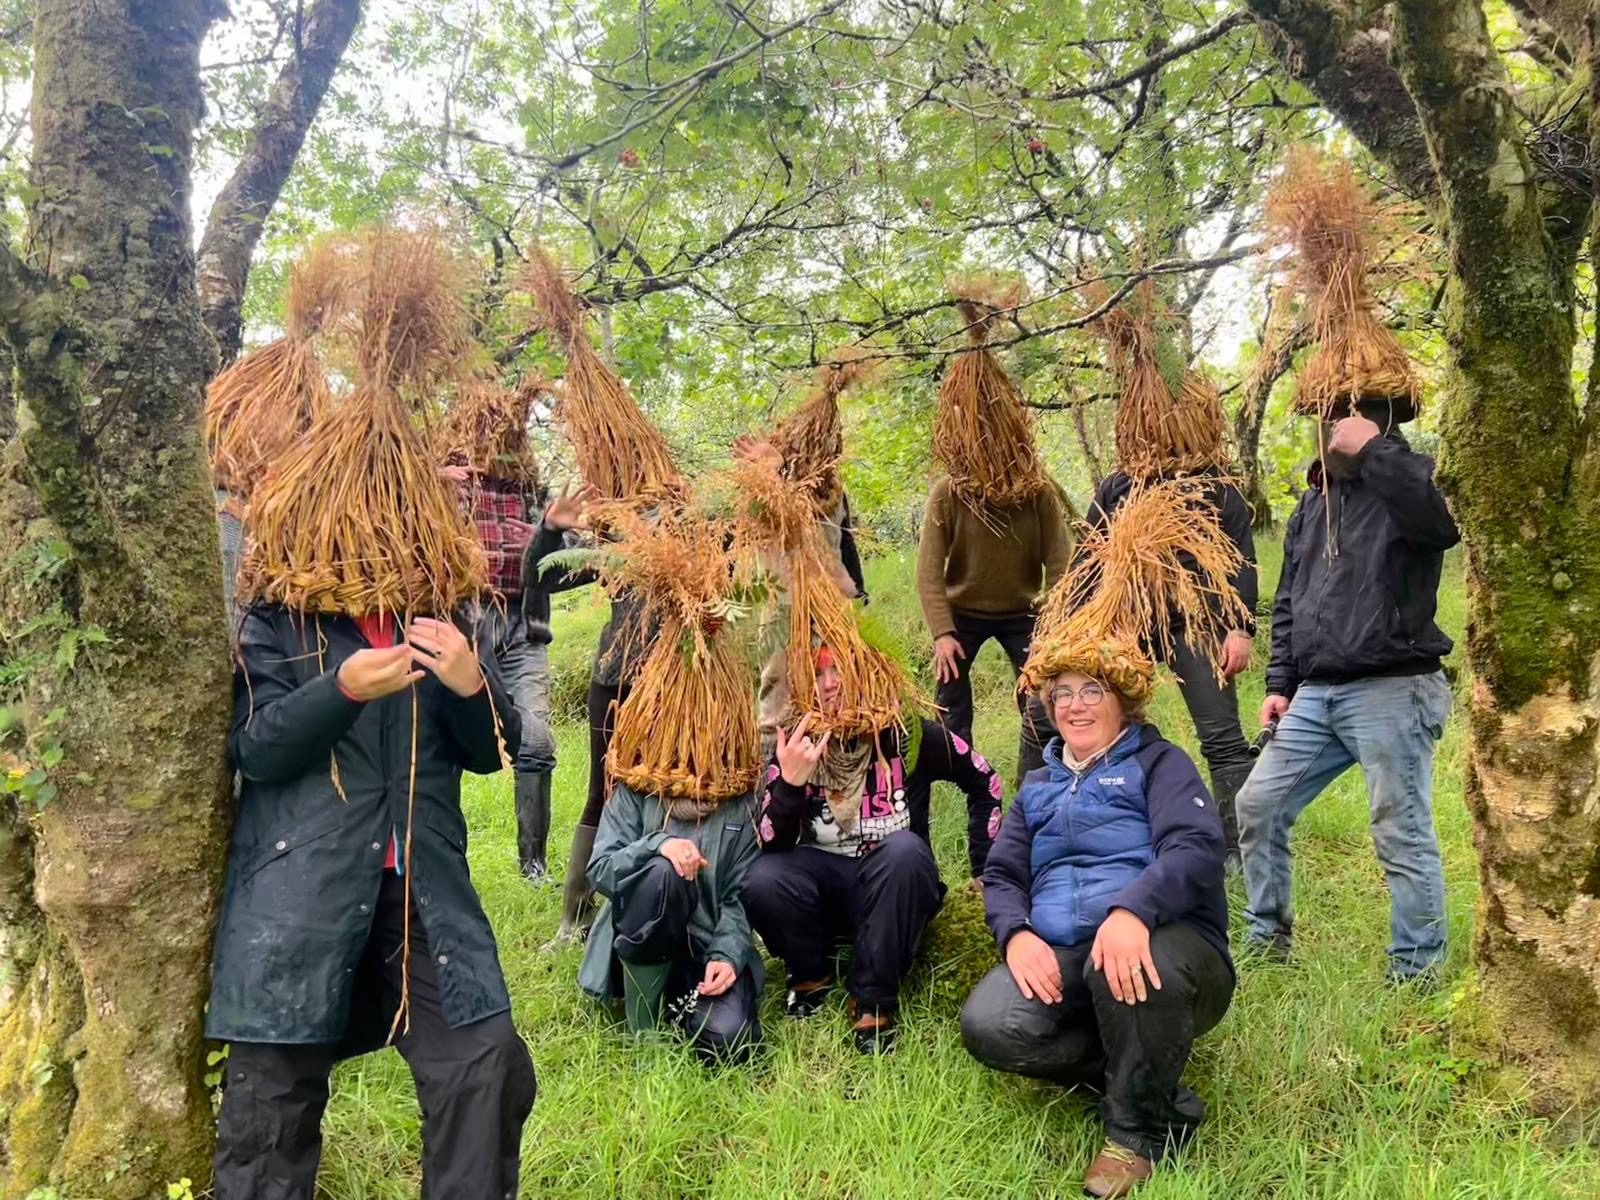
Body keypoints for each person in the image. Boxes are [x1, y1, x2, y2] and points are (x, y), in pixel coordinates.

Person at [208, 607, 536, 1197]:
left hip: (421, 895)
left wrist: (471, 684)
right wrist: (340, 691)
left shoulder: (439, 614)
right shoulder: (280, 620)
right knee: (271, 1097)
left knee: (485, 1060)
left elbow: (492, 752)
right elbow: (255, 748)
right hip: (300, 895)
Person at [961, 668, 1234, 1198]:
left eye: (1092, 690)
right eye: (1061, 694)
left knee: (1120, 964)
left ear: (1124, 701)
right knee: (989, 1024)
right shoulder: (1038, 785)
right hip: (1065, 950)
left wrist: (1133, 910)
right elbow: (1003, 874)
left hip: (1168, 941)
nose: (1074, 706)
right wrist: (1015, 934)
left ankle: (1140, 1132)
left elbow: (1196, 846)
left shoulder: (1159, 763)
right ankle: (1143, 1064)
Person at [1236, 400, 1458, 981]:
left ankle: (1416, 971)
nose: (1334, 426)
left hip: (1394, 684)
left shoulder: (1408, 477)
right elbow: (1288, 600)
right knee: (1258, 804)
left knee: (1399, 827)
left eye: (1347, 416)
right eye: (1328, 418)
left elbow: (1439, 527)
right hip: (1317, 692)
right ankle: (1266, 938)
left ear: (1379, 422)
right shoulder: (1313, 503)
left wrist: (1376, 451)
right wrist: (1280, 682)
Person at [743, 646, 1003, 1054]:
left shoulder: (907, 734)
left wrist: (987, 869)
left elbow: (985, 782)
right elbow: (771, 842)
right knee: (761, 879)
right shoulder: (796, 742)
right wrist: (791, 784)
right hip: (825, 891)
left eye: (840, 669)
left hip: (895, 889)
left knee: (904, 851)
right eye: (818, 674)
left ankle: (872, 996)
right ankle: (810, 974)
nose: (831, 684)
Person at [1086, 470, 1257, 865]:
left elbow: (1243, 560)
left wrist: (1240, 626)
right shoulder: (1119, 485)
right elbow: (1089, 556)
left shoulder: (1216, 485)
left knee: (1223, 738)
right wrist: (1082, 628)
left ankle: (1240, 850)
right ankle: (1109, 835)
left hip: (1199, 624)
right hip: (1127, 623)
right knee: (1104, 731)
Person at [524, 482, 649, 940]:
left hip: (681, 684)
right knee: (603, 790)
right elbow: (542, 577)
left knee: (673, 793)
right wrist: (551, 530)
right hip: (615, 677)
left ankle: (658, 908)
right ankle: (572, 921)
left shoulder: (688, 526)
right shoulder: (613, 534)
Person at [577, 780, 764, 1062]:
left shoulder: (741, 800)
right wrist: (656, 845)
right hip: (637, 938)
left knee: (730, 1040)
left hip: (703, 947)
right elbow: (601, 871)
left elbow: (740, 893)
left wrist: (727, 955)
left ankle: (678, 1000)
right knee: (664, 873)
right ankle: (642, 1025)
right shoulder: (636, 789)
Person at [445, 460, 559, 883]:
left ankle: (534, 867)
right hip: (465, 621)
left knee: (536, 740)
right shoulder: (450, 475)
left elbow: (558, 552)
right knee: (447, 736)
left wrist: (544, 531)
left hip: (523, 625)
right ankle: (446, 857)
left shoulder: (531, 487)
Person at [916, 474, 1070, 781]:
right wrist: (942, 632)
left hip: (1025, 613)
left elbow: (1060, 562)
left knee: (1041, 695)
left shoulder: (1037, 492)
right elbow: (928, 571)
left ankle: (1038, 775)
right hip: (961, 612)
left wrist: (1052, 622)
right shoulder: (949, 493)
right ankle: (959, 772)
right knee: (951, 698)